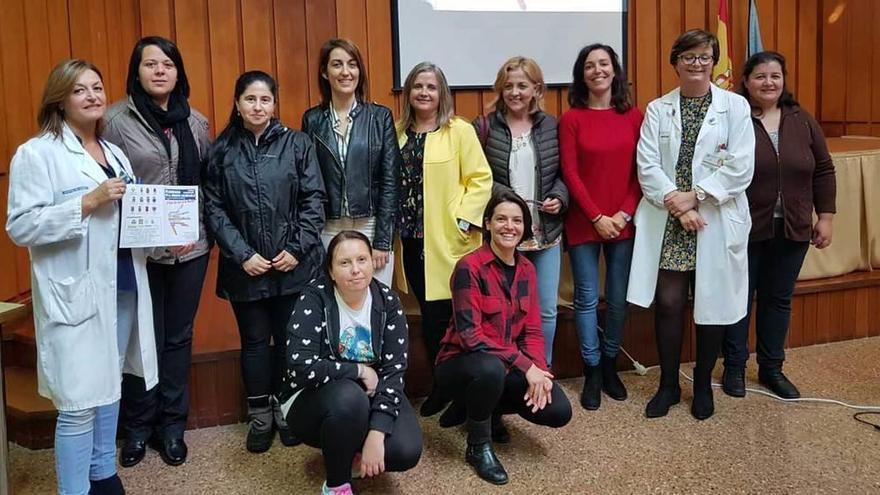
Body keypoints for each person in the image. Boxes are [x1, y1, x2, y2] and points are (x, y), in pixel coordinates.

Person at [6, 59, 158, 495]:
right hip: (76, 292)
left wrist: (167, 233)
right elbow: (21, 226)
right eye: (80, 90)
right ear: (60, 99)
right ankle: (74, 489)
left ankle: (102, 472)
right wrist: (86, 203)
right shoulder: (38, 154)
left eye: (97, 87)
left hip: (124, 283)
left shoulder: (113, 153)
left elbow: (129, 220)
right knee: (78, 402)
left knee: (109, 388)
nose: (93, 96)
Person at [627, 29, 755, 420]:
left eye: (704, 56)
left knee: (712, 303)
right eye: (688, 57)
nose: (696, 64)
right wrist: (680, 205)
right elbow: (646, 165)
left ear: (713, 62)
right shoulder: (657, 109)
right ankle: (667, 384)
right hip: (671, 219)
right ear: (675, 62)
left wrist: (697, 195)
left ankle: (702, 384)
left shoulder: (734, 107)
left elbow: (741, 165)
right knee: (667, 303)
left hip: (713, 217)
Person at [203, 70, 326, 453]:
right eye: (250, 99)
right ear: (237, 104)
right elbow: (214, 208)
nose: (258, 106)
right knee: (255, 343)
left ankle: (289, 410)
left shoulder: (298, 144)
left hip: (294, 264)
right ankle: (260, 416)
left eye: (265, 99)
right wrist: (243, 255)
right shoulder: (221, 150)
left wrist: (296, 248)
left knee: (291, 343)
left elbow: (314, 200)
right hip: (246, 269)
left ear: (275, 104)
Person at [103, 36, 212, 467]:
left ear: (178, 71)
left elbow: (206, 184)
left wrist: (194, 230)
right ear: (137, 71)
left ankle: (172, 427)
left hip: (191, 250)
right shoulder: (115, 119)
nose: (160, 71)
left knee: (178, 338)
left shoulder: (197, 122)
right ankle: (136, 429)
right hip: (140, 252)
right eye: (151, 64)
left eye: (168, 64)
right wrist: (153, 234)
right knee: (138, 340)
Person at [433, 190, 572, 485]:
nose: (509, 226)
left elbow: (533, 330)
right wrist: (525, 365)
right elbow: (471, 337)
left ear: (525, 228)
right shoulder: (469, 268)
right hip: (460, 364)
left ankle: (484, 407)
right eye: (501, 219)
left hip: (503, 366)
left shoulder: (526, 270)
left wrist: (538, 370)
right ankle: (478, 445)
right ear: (488, 224)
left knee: (558, 410)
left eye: (517, 221)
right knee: (489, 368)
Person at [721, 51, 835, 399]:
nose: (768, 82)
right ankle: (734, 369)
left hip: (793, 229)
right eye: (760, 76)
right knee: (741, 300)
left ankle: (772, 369)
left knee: (778, 300)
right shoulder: (735, 118)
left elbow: (824, 169)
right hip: (746, 229)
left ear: (783, 80)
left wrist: (826, 216)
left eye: (775, 76)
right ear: (746, 82)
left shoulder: (801, 120)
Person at [280, 231, 422, 495]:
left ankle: (349, 451)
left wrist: (377, 432)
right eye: (344, 263)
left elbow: (394, 372)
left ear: (373, 262)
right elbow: (301, 366)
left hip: (369, 395)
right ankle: (336, 483)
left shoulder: (388, 301)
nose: (355, 270)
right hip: (312, 400)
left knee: (406, 450)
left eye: (362, 260)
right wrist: (358, 370)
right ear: (331, 271)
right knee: (348, 396)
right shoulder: (314, 297)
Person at [394, 62, 493, 418]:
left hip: (450, 241)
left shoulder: (459, 131)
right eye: (418, 86)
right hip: (412, 241)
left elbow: (480, 178)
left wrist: (463, 218)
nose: (424, 93)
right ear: (409, 92)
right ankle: (441, 387)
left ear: (442, 93)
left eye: (431, 87)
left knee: (457, 319)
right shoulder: (398, 132)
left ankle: (463, 394)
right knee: (430, 318)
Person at [559, 44, 643, 410]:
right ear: (582, 74)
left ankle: (611, 365)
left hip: (623, 220)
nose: (597, 71)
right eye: (590, 66)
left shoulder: (635, 116)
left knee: (618, 297)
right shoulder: (571, 118)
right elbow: (570, 173)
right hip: (584, 220)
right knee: (586, 298)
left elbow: (642, 171)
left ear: (614, 70)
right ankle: (591, 369)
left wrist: (623, 214)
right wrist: (596, 216)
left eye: (603, 64)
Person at [473, 56, 568, 368]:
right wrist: (508, 199)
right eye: (509, 85)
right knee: (504, 310)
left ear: (536, 89)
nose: (515, 92)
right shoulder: (484, 127)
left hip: (546, 233)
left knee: (546, 310)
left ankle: (543, 370)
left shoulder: (552, 125)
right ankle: (511, 373)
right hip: (505, 234)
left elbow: (563, 174)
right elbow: (480, 176)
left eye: (522, 85)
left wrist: (559, 196)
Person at [301, 39, 401, 286]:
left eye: (352, 64)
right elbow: (308, 181)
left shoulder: (380, 118)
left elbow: (391, 182)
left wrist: (382, 241)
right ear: (325, 72)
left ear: (360, 72)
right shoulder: (312, 120)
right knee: (334, 302)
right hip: (328, 227)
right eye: (337, 65)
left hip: (371, 226)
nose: (345, 72)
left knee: (376, 303)